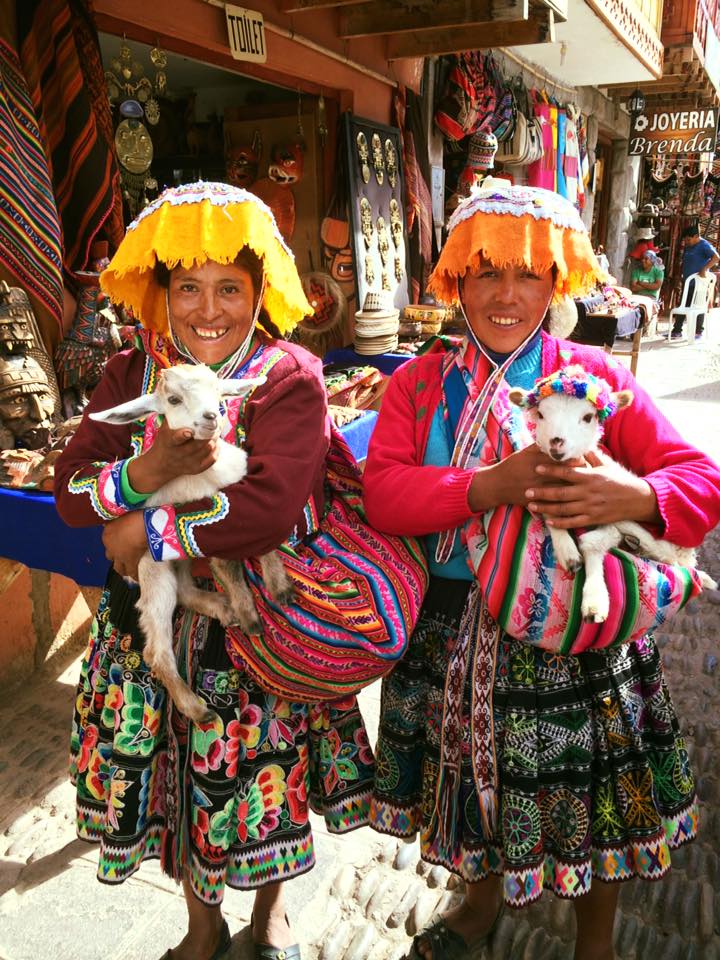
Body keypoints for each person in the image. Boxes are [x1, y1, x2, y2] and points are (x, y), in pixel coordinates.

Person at [362, 179, 720, 960]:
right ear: (456, 280)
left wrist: (634, 490)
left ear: (556, 283)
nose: (506, 293)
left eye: (528, 274)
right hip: (450, 628)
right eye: (486, 271)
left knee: (591, 806)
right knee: (470, 794)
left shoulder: (595, 381)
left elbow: (701, 480)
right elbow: (383, 492)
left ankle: (595, 943)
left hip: (573, 633)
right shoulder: (419, 385)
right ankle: (478, 904)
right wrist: (484, 487)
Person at [54, 182, 374, 960]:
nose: (208, 309)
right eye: (187, 287)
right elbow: (69, 491)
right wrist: (141, 472)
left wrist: (142, 523)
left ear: (259, 290)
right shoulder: (132, 375)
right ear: (160, 295)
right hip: (159, 632)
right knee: (176, 776)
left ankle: (270, 913)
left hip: (262, 627)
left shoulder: (286, 375)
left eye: (229, 288)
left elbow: (266, 508)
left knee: (267, 775)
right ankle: (201, 926)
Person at [671, 223, 719, 339]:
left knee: (699, 306)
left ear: (696, 236)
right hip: (687, 282)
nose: (686, 242)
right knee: (683, 304)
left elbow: (716, 257)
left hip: (699, 284)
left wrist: (704, 269)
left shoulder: (704, 245)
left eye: (688, 239)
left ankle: (699, 331)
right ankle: (677, 331)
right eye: (685, 240)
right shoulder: (688, 246)